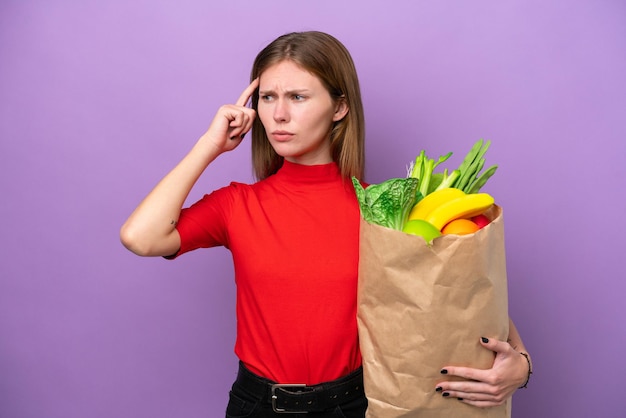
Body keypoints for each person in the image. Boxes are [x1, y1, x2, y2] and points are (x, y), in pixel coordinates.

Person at [120, 31, 531, 417]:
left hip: (355, 403)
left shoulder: (384, 209)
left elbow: (465, 292)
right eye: (267, 97)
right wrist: (209, 146)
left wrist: (522, 364)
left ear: (339, 106)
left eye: (297, 97)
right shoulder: (237, 205)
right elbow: (140, 237)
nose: (279, 114)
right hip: (259, 405)